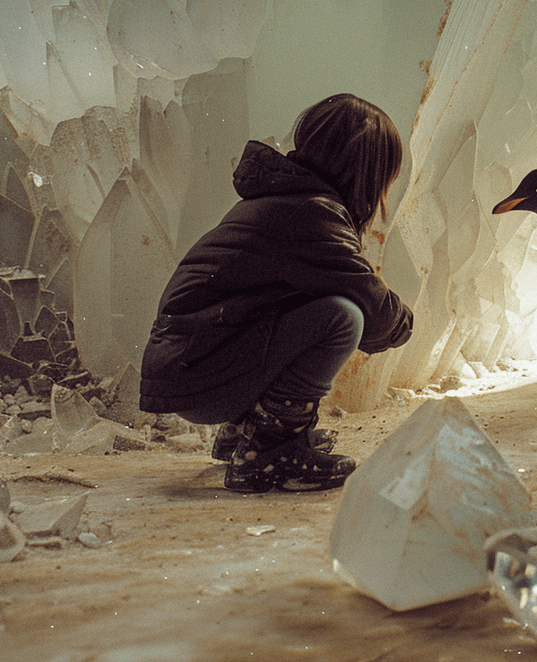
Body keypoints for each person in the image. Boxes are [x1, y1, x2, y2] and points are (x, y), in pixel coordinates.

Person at [140, 94, 413, 493]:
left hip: (188, 370)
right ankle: (270, 451)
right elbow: (375, 312)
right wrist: (406, 324)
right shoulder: (312, 214)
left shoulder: (285, 201)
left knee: (308, 303)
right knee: (342, 315)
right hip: (199, 378)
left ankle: (246, 433)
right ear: (367, 170)